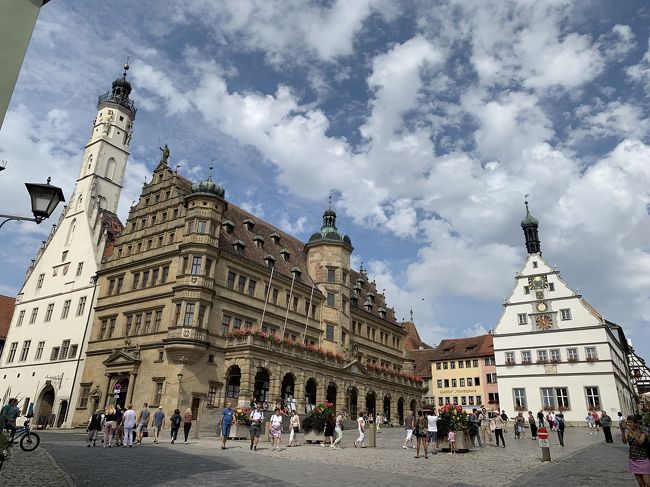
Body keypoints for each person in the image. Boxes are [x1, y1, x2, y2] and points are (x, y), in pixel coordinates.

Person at [622, 415, 650, 486]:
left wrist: (631, 431)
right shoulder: (627, 433)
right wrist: (622, 431)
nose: (629, 424)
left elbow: (640, 442)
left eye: (631, 422)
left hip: (643, 460)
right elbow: (624, 442)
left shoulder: (642, 433)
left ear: (635, 423)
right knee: (641, 483)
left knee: (647, 483)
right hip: (633, 460)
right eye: (628, 422)